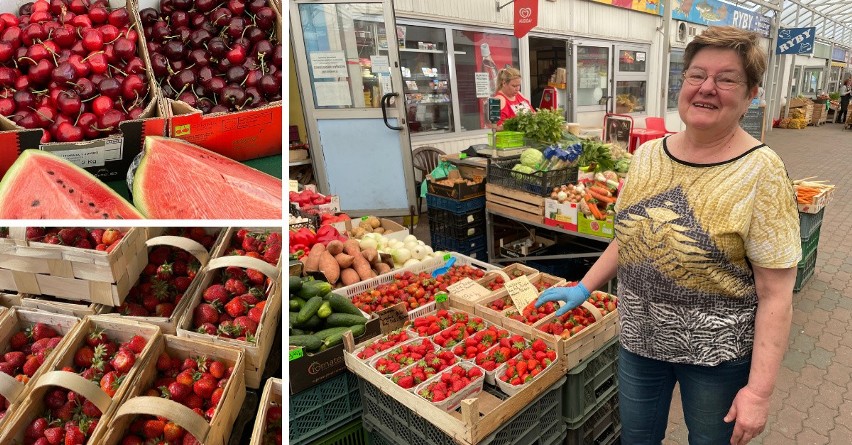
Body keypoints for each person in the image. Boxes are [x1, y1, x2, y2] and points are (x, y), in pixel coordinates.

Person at [536, 26, 801, 445]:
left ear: (751, 94)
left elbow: (776, 294)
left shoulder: (761, 172)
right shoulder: (647, 156)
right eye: (697, 75)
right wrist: (585, 287)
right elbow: (631, 235)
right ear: (683, 83)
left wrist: (759, 392)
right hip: (639, 342)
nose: (707, 88)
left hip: (716, 358)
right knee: (637, 440)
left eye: (726, 78)